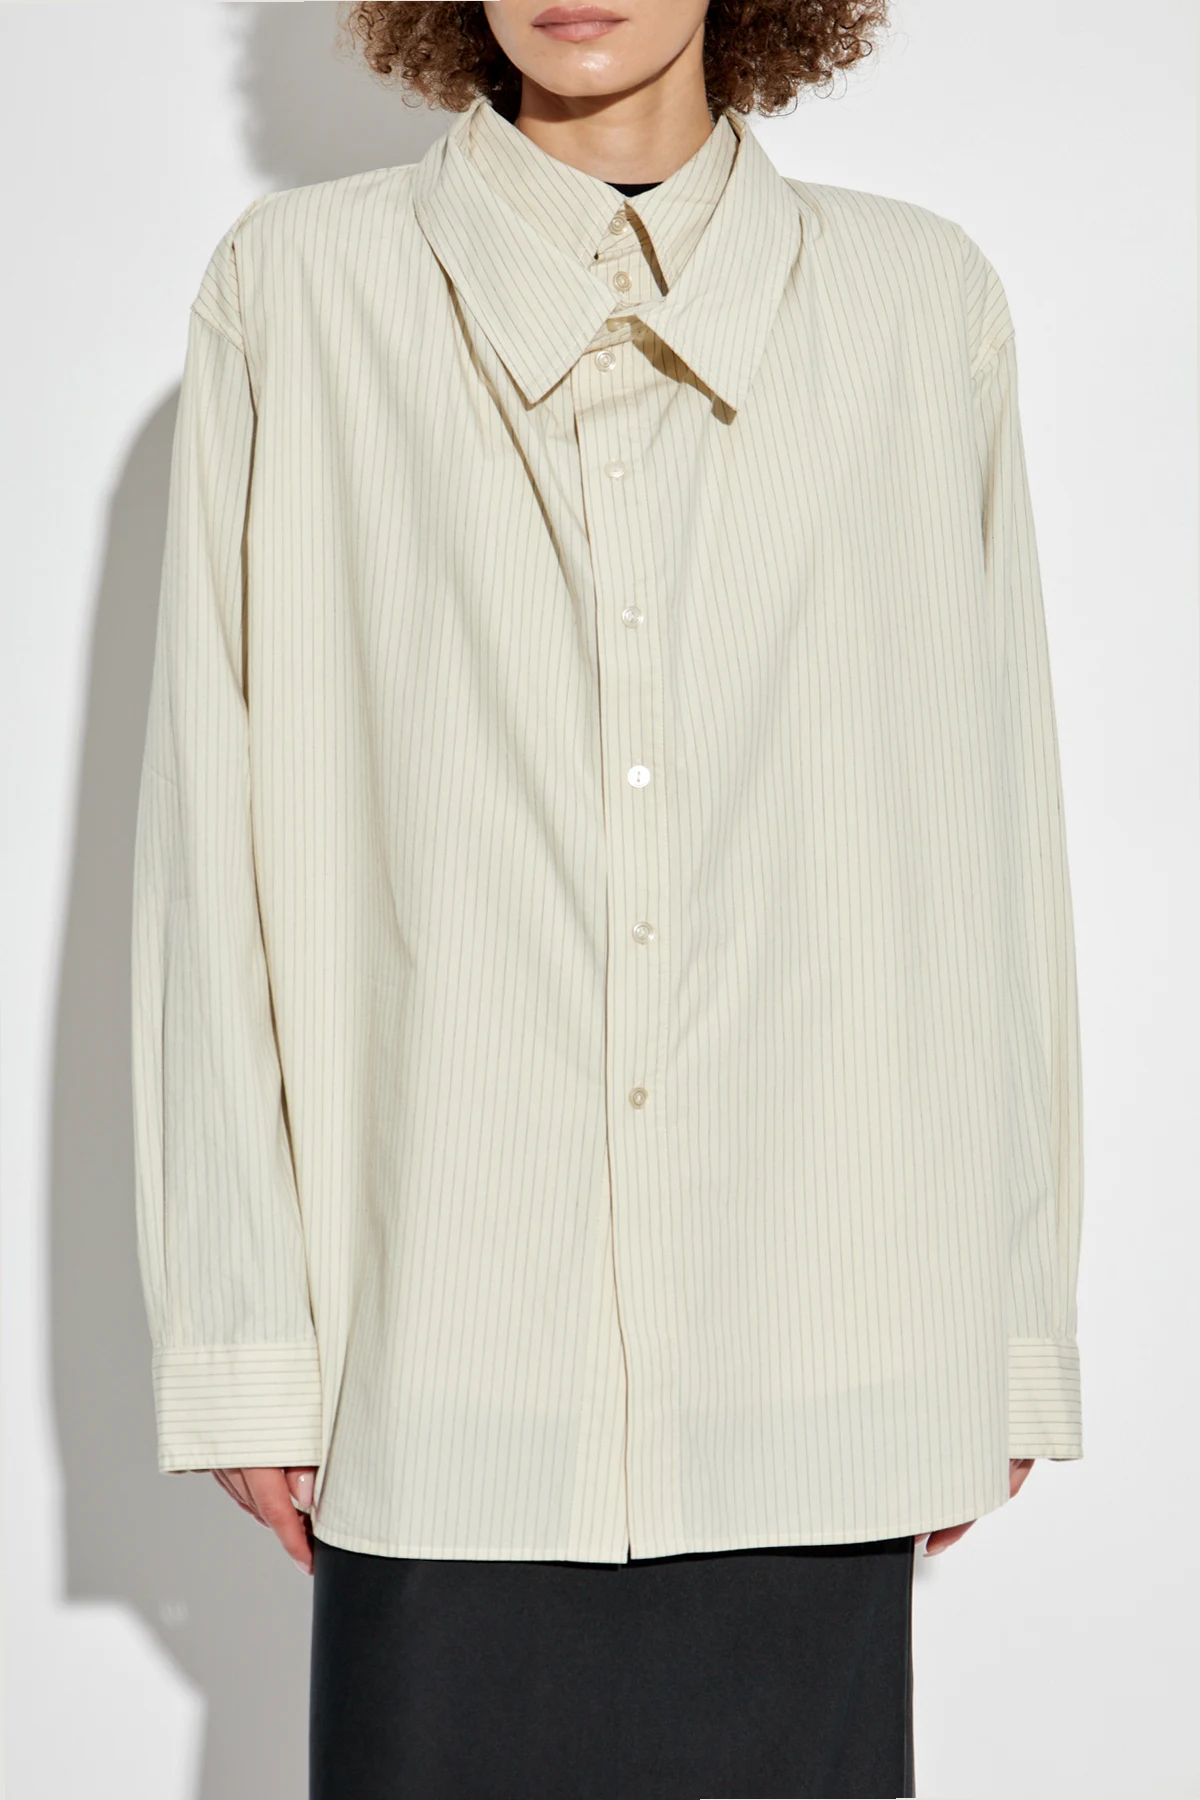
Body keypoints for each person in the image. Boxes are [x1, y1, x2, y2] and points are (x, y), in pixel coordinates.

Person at [129, 1, 1085, 1794]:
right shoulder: (298, 296)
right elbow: (210, 856)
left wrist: (1009, 1327)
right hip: (445, 1373)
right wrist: (246, 1344)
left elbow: (992, 852)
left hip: (816, 1360)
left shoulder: (917, 306)